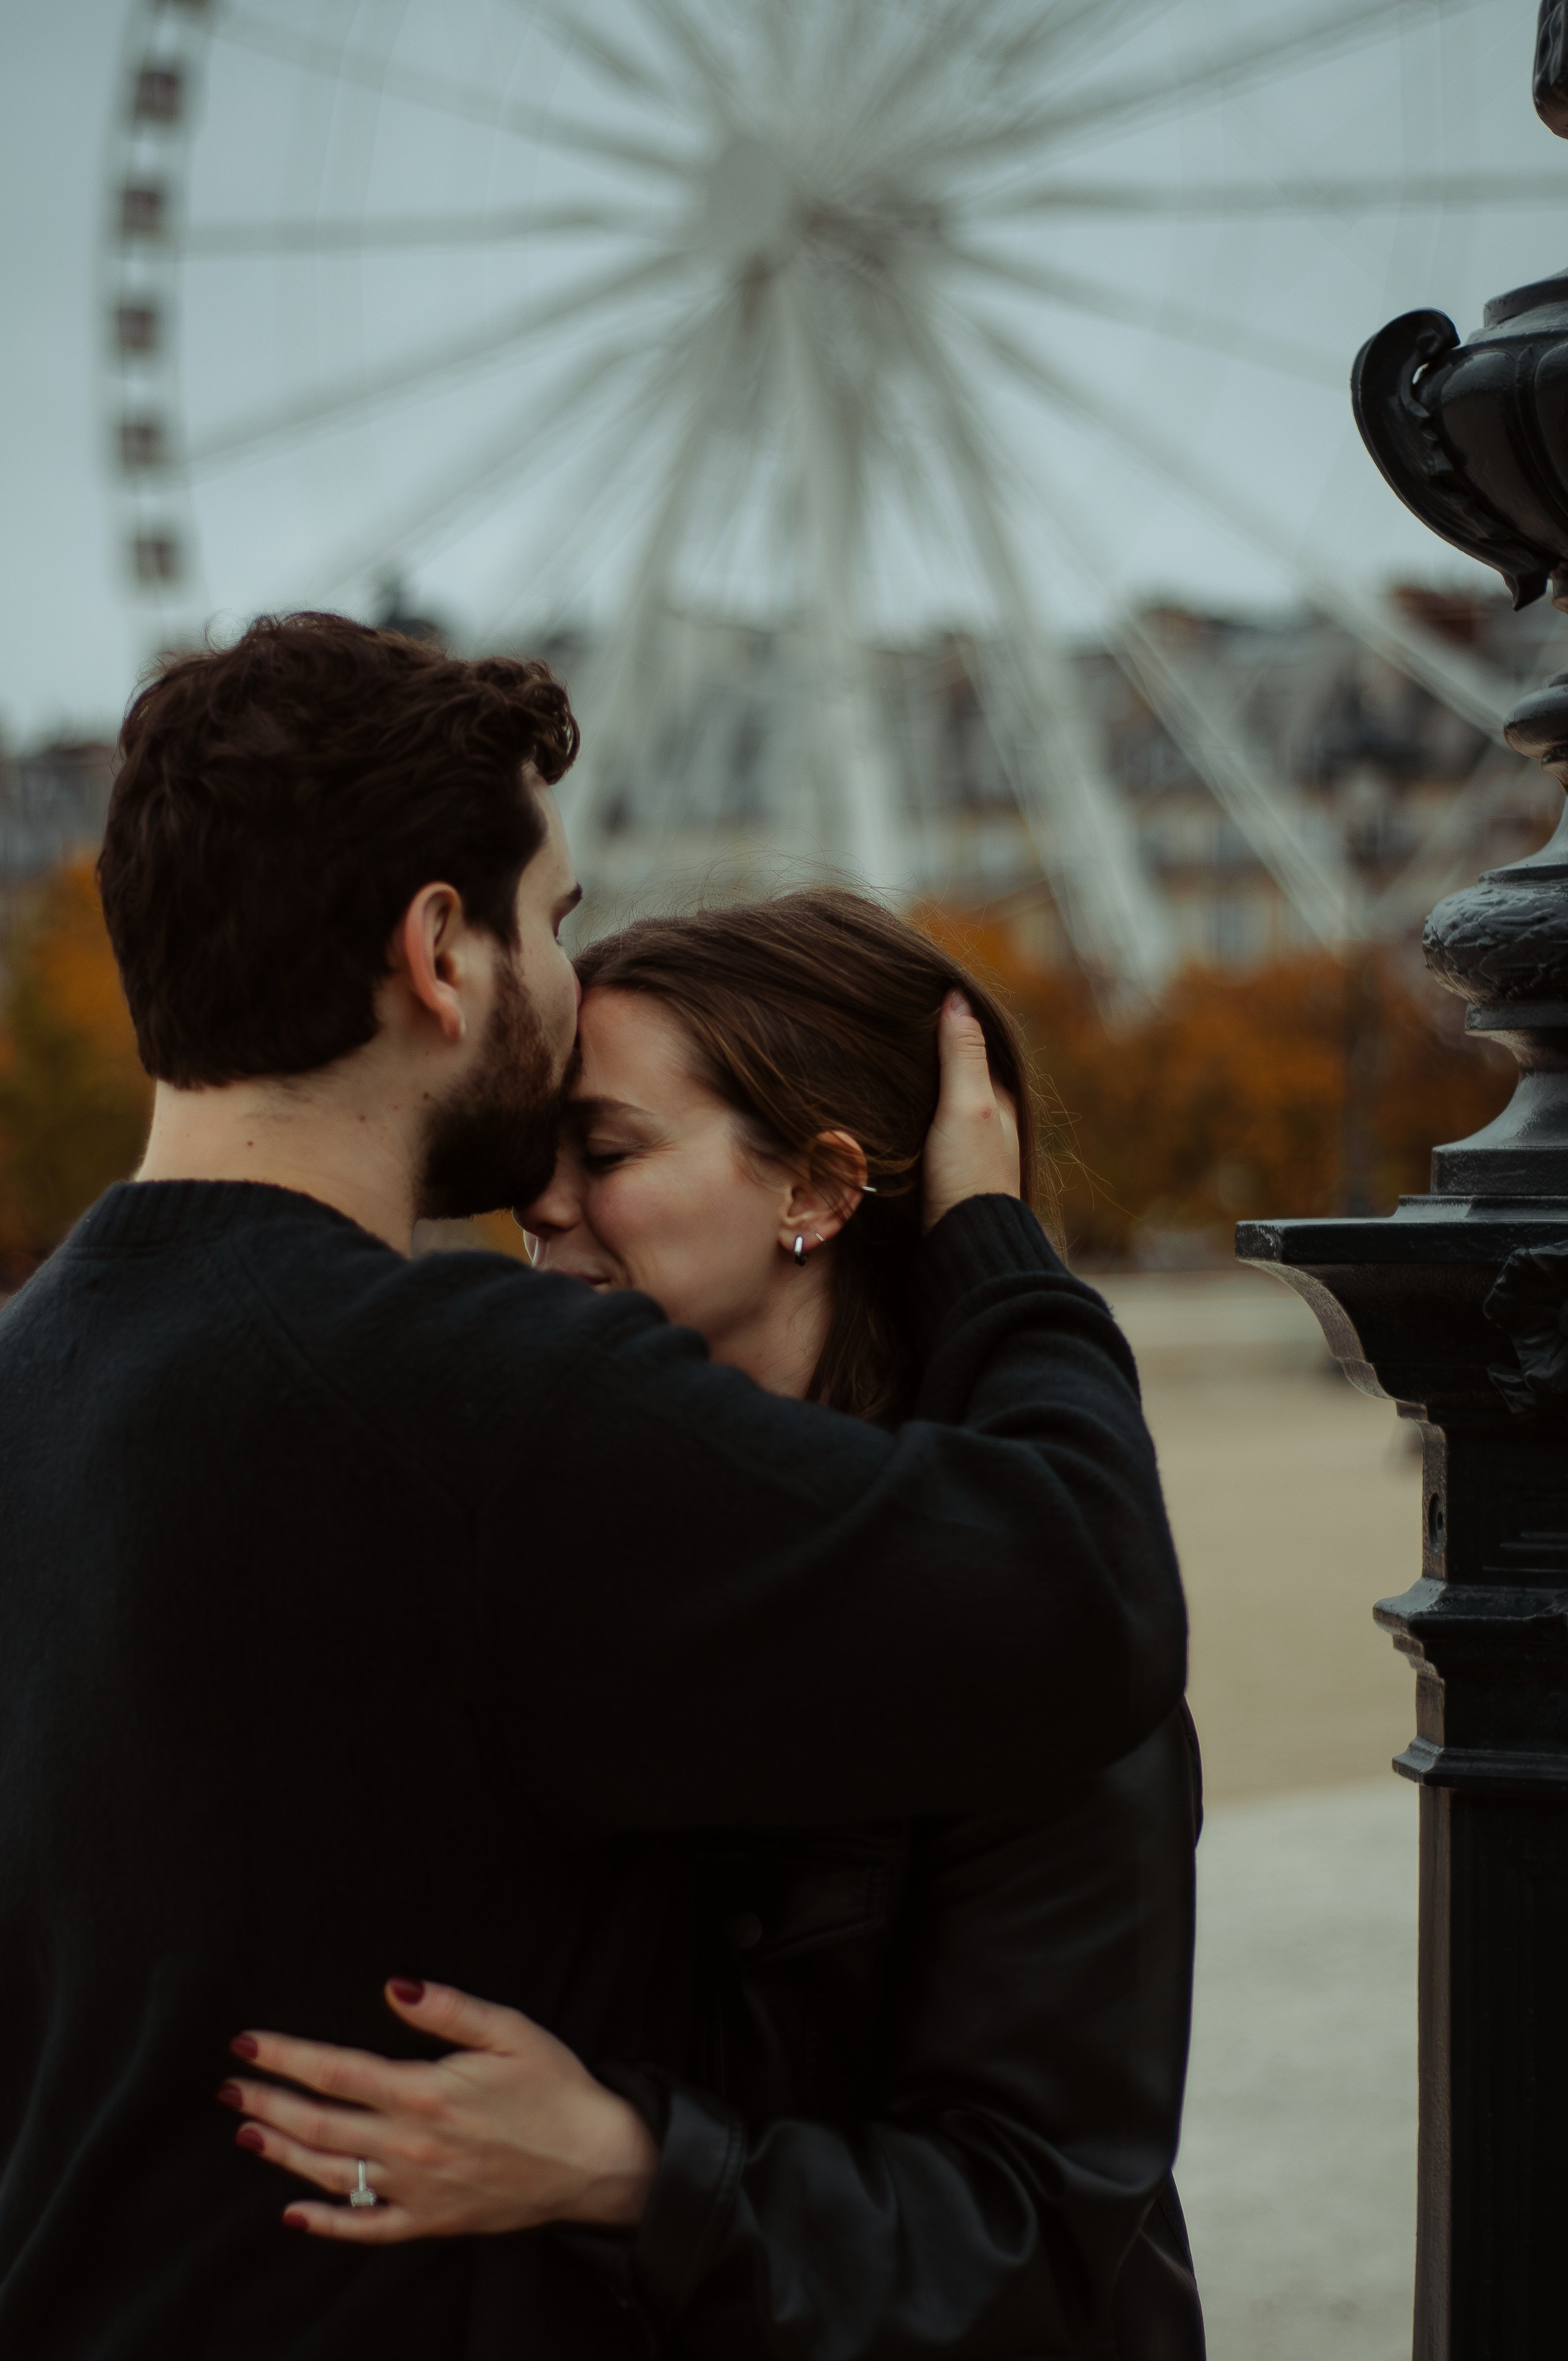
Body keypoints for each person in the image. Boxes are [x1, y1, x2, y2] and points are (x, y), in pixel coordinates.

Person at [0, 614, 1186, 2359]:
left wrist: (641, 2168)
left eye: (611, 1148)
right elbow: (1081, 1598)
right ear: (438, 951)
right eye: (551, 920)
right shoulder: (490, 1407)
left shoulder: (33, 1380)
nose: (555, 998)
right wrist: (995, 1247)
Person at [222, 892, 1204, 2360]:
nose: (540, 1203)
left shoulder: (1012, 1634)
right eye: (540, 1155)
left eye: (608, 1151)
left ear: (816, 1184)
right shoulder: (557, 1554)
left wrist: (624, 2165)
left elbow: (1036, 2238)